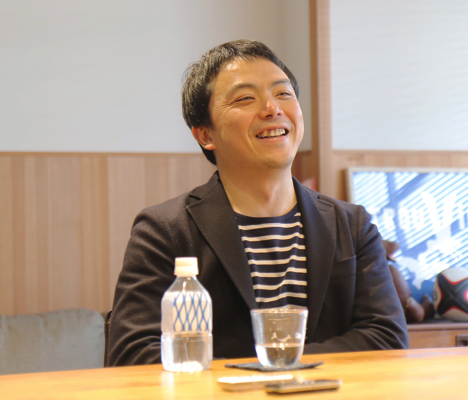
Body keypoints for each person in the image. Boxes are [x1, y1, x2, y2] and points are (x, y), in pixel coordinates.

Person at [106, 39, 408, 366]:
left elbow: (386, 339)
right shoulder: (165, 230)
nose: (272, 108)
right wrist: (257, 374)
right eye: (245, 99)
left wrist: (277, 365)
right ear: (205, 134)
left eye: (283, 94)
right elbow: (131, 353)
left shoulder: (352, 225)